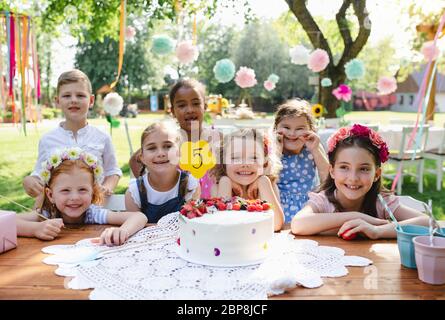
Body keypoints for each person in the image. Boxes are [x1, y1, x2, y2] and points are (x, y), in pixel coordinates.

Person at [291, 124, 429, 239]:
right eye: (344, 167)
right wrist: (356, 216)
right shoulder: (323, 201)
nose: (353, 178)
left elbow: (428, 222)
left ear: (377, 174)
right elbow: (298, 224)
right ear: (332, 171)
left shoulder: (381, 202)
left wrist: (377, 231)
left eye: (363, 169)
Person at [23, 69, 122, 208]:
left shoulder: (102, 137)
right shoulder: (48, 139)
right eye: (67, 95)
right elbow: (39, 174)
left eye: (80, 95)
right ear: (57, 101)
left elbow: (113, 171)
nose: (74, 100)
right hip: (57, 214)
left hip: (94, 210)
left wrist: (107, 187)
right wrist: (29, 180)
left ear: (91, 100)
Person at [17, 148, 147, 245]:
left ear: (92, 192)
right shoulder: (46, 214)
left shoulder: (93, 214)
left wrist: (123, 231)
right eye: (65, 190)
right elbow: (7, 222)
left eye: (82, 190)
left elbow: (139, 216)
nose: (74, 197)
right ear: (50, 195)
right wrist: (35, 229)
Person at [129, 79, 221, 198]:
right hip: (178, 209)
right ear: (173, 111)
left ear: (205, 106)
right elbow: (135, 160)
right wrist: (147, 190)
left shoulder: (216, 138)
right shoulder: (169, 139)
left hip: (212, 207)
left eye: (196, 103)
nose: (190, 110)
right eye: (182, 105)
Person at [125, 121, 201, 223]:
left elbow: (191, 225)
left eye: (168, 146)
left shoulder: (190, 185)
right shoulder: (134, 192)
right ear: (142, 157)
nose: (161, 153)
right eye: (152, 148)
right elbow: (133, 228)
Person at [211, 128, 284, 231]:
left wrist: (263, 181)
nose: (245, 164)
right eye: (235, 158)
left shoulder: (268, 186)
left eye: (253, 158)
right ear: (223, 163)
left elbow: (276, 225)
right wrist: (225, 182)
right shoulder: (219, 187)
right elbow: (220, 225)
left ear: (264, 162)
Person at [274, 99, 329, 223]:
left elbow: (327, 177)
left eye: (300, 128)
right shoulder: (272, 150)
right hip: (278, 204)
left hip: (309, 205)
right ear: (276, 128)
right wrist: (276, 151)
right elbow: (269, 178)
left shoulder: (312, 147)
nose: (292, 133)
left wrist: (314, 149)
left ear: (311, 130)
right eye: (286, 127)